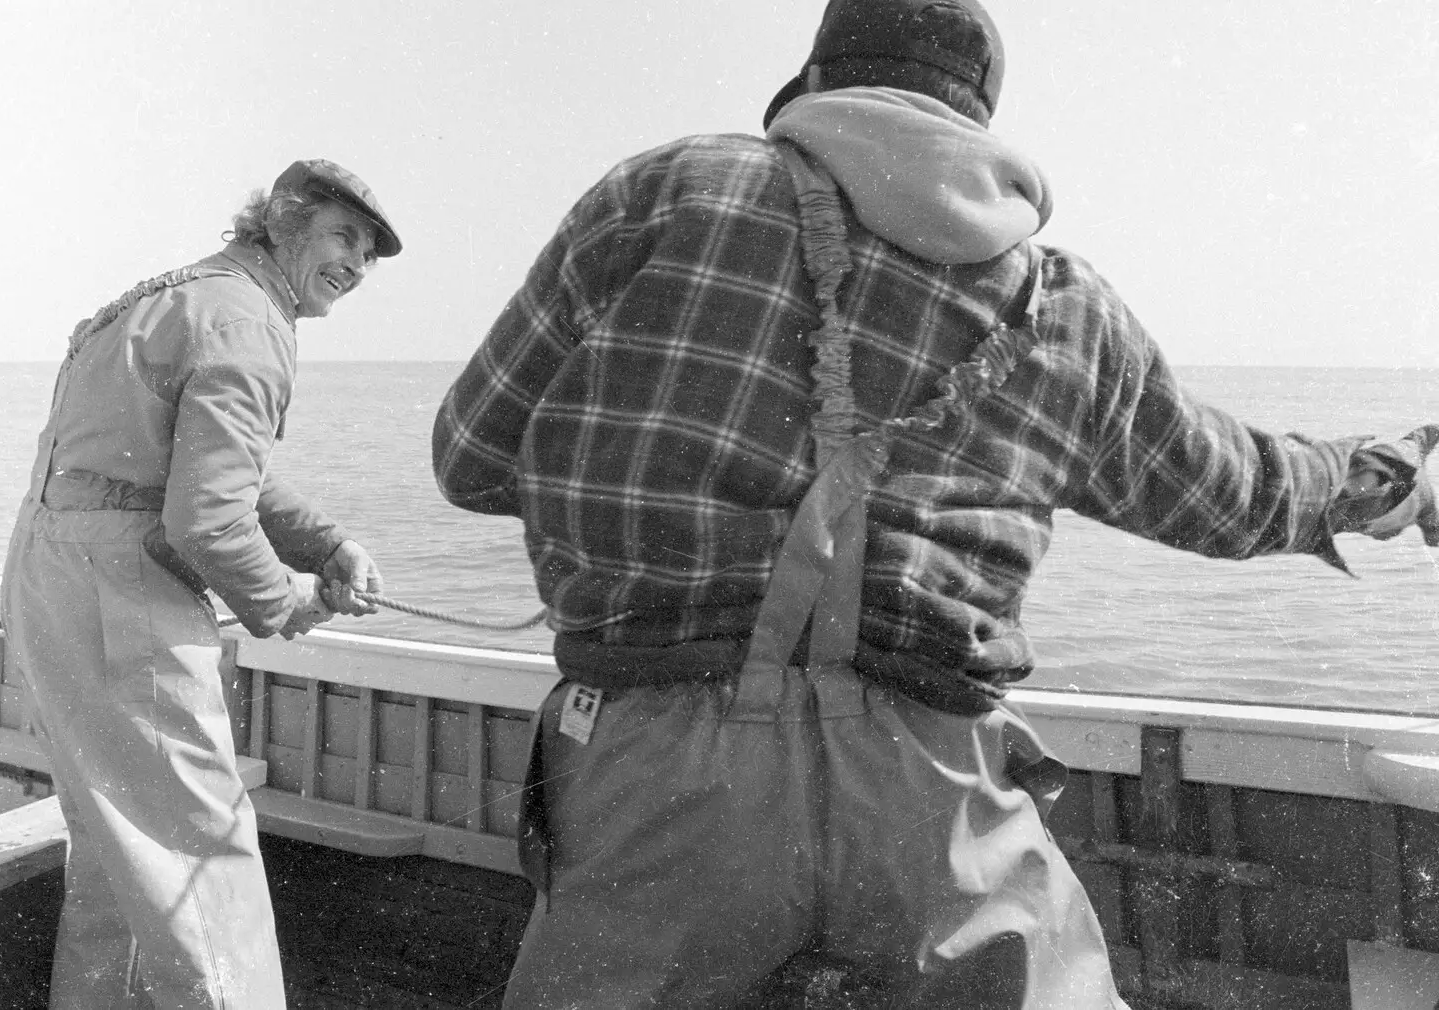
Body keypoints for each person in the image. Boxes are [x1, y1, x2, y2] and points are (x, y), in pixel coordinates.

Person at [432, 2, 1438, 1006]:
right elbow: (1235, 494)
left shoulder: (664, 191)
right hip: (934, 800)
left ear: (817, 82)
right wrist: (1388, 471)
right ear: (977, 123)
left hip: (660, 774)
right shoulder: (1064, 306)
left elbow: (469, 456)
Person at [1, 158, 401, 1008]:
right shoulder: (250, 325)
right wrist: (284, 602)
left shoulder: (185, 293)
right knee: (199, 857)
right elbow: (209, 521)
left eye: (368, 253)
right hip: (117, 589)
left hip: (50, 569)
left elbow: (203, 471)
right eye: (342, 237)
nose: (355, 267)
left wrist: (324, 544)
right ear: (283, 221)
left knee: (118, 848)